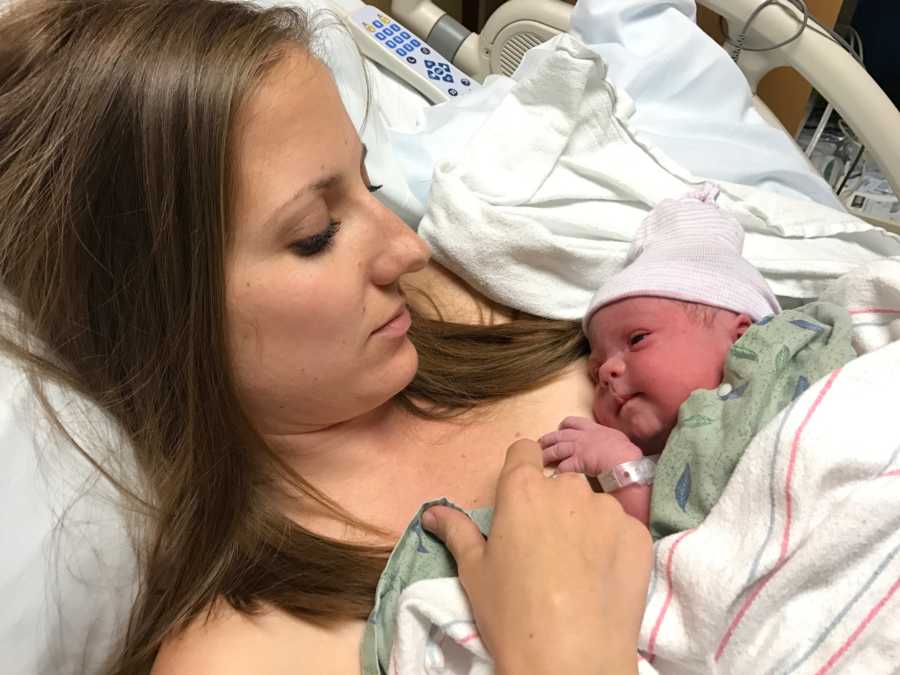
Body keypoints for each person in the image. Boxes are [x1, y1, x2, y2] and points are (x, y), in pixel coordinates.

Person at [0, 1, 650, 674]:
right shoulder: (241, 656)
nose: (407, 249)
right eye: (316, 233)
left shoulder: (483, 304)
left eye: (367, 181)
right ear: (160, 316)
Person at [539, 186, 856, 539]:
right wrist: (624, 465)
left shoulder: (794, 378)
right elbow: (672, 544)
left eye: (637, 339)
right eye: (594, 372)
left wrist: (620, 470)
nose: (607, 372)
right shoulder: (668, 462)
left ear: (743, 336)